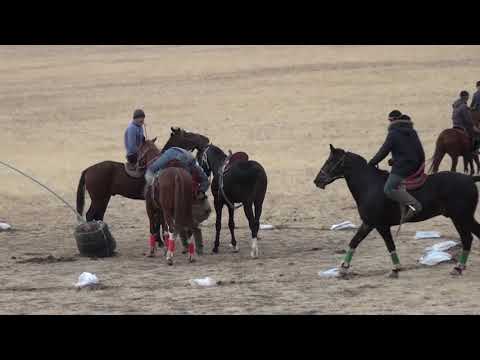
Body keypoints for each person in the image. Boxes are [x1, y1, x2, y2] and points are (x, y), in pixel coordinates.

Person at [146, 147, 211, 254]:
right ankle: (187, 246)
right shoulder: (188, 168)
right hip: (186, 199)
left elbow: (205, 181)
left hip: (194, 201)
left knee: (192, 225)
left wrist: (200, 192)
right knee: (180, 222)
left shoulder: (194, 169)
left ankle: (199, 249)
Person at [368, 111, 425, 223]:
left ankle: (415, 205)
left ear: (393, 120)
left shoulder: (393, 133)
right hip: (415, 166)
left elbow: (383, 151)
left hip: (402, 169)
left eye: (389, 120)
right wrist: (396, 160)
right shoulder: (413, 132)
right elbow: (418, 151)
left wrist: (371, 163)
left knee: (388, 189)